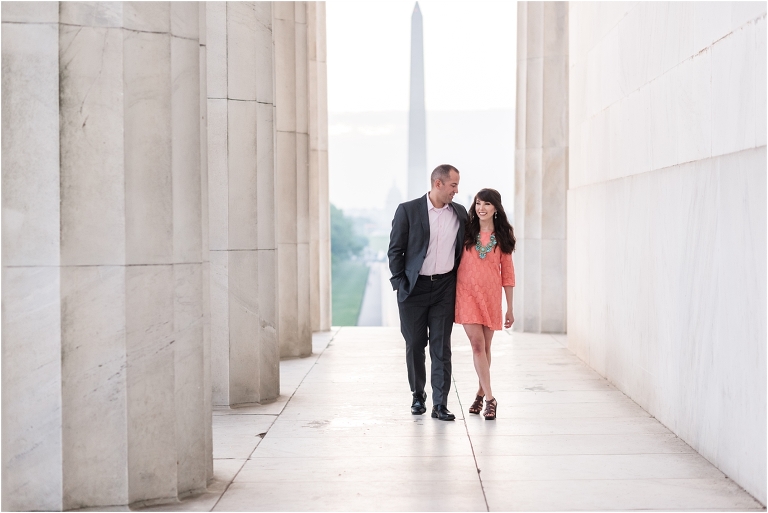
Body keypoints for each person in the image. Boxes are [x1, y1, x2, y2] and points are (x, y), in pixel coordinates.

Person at [388, 165, 468, 421]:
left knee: (441, 347)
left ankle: (440, 404)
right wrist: (400, 283)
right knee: (414, 344)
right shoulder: (408, 210)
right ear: (438, 184)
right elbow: (395, 250)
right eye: (453, 185)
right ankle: (417, 394)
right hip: (414, 288)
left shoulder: (460, 213)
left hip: (445, 288)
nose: (457, 190)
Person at [455, 188, 516, 420]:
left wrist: (510, 308)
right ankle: (491, 399)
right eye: (478, 203)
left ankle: (480, 394)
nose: (481, 208)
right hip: (466, 295)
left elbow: (507, 274)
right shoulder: (465, 232)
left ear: (495, 208)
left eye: (487, 204)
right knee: (477, 346)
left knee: (487, 348)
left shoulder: (503, 237)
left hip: (490, 297)